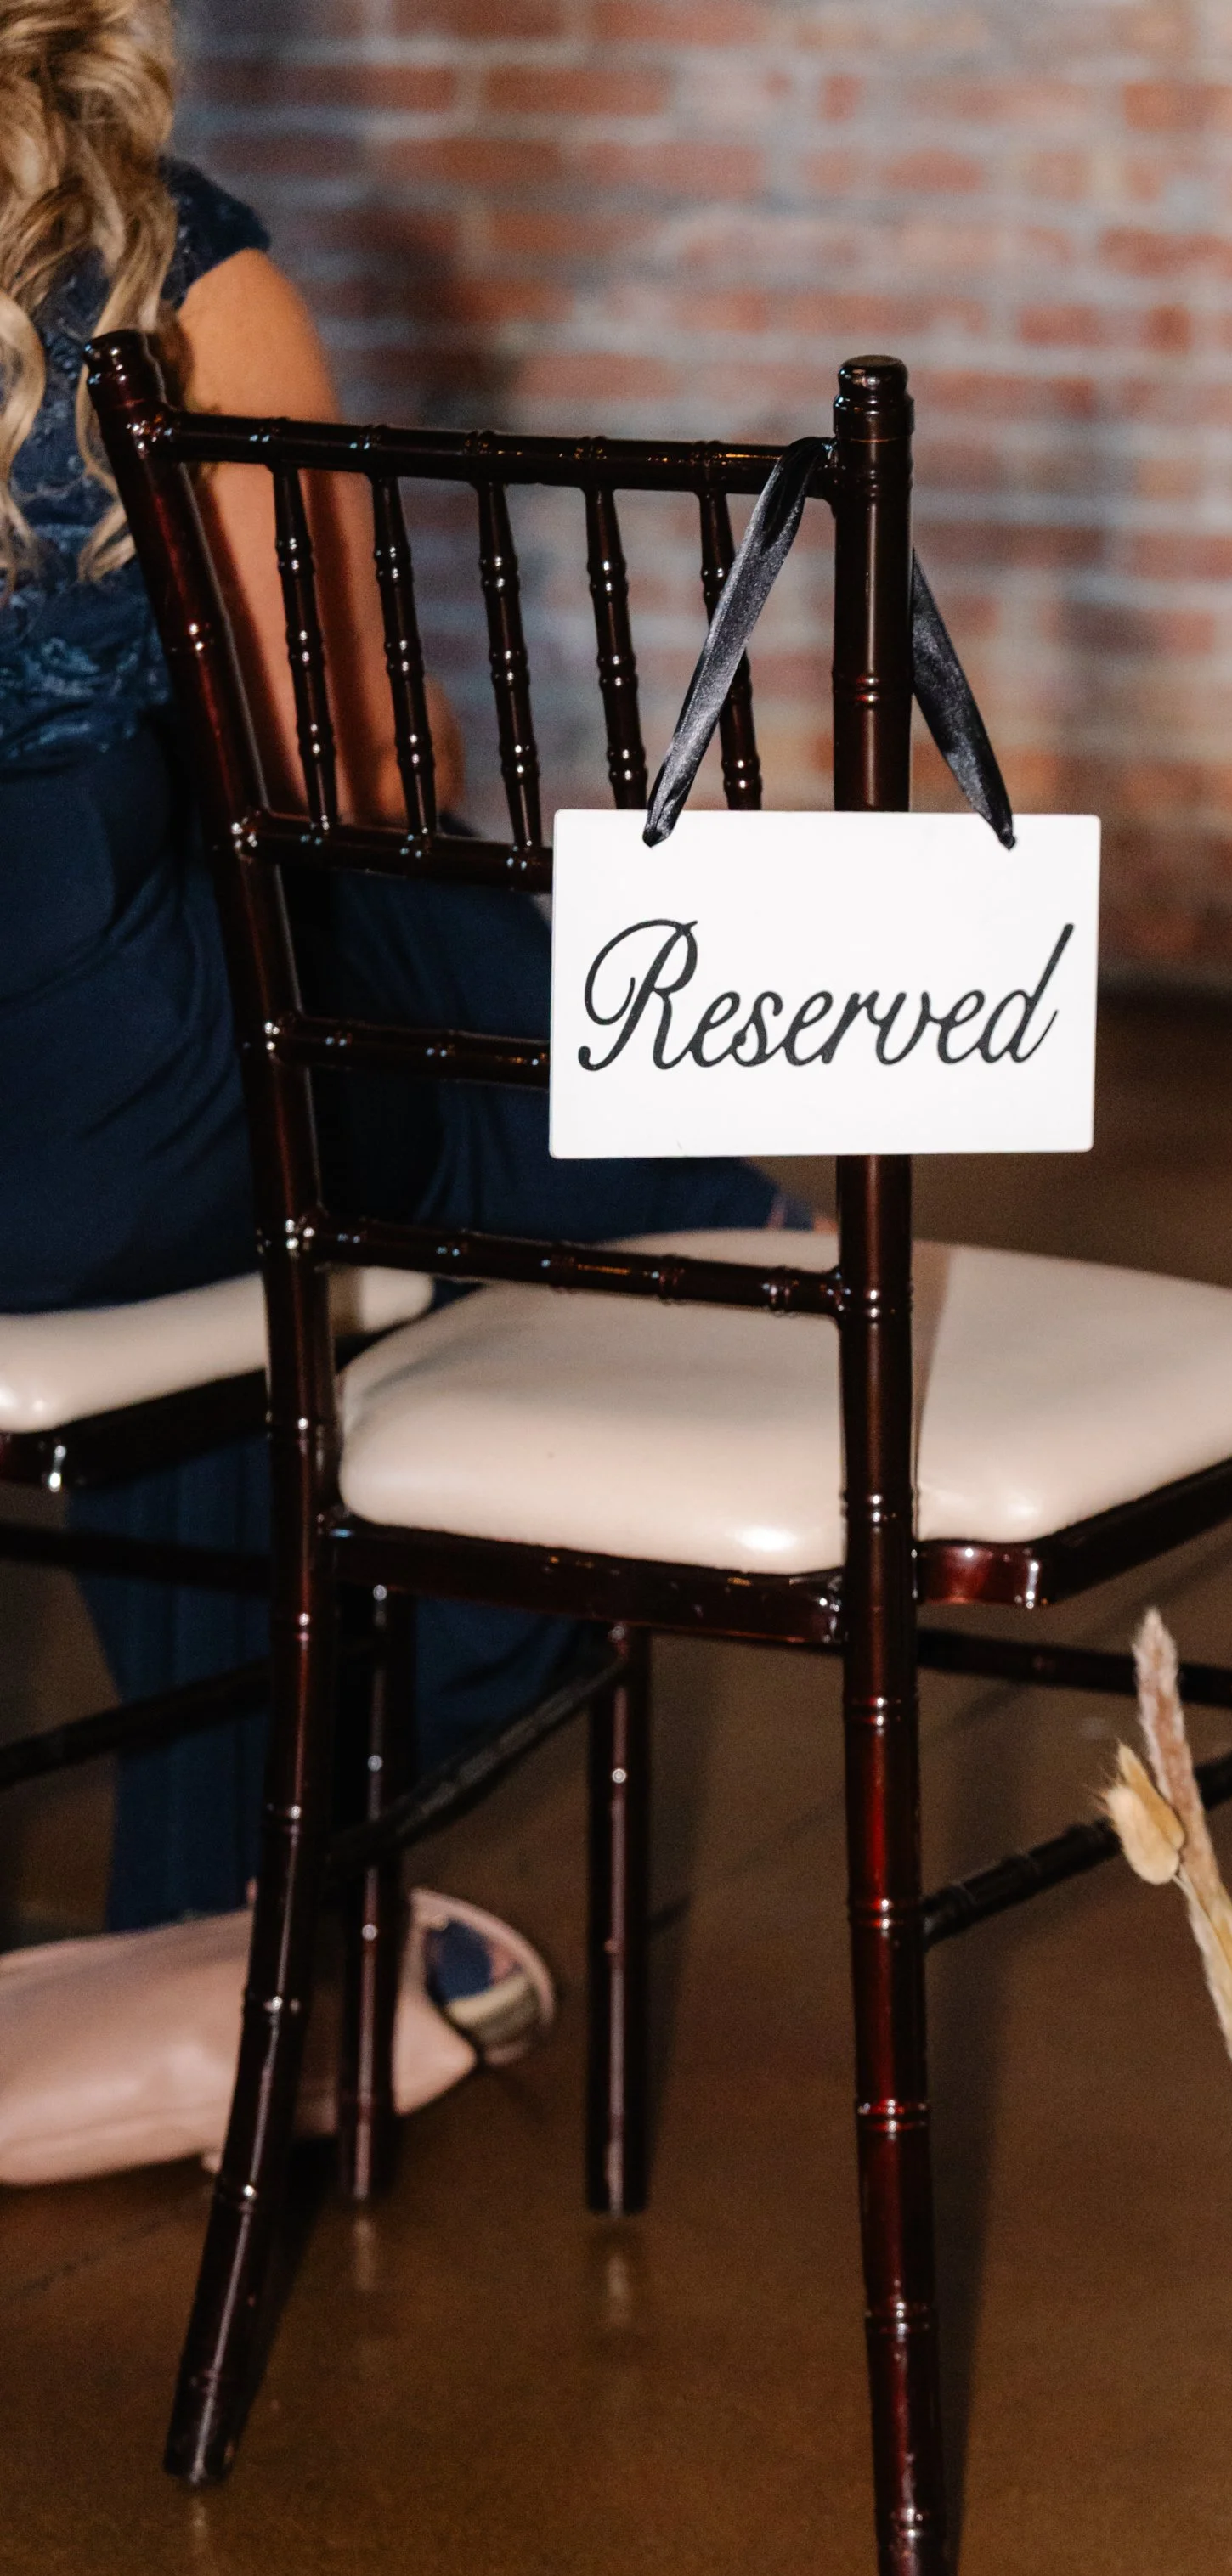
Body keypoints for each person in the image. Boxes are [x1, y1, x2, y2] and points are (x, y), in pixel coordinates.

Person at [0, 1, 797, 1938]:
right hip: (93, 1120)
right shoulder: (161, 273)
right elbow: (341, 772)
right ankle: (339, 1819)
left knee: (274, 1208)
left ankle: (224, 1945)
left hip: (117, 1125)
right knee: (606, 1098)